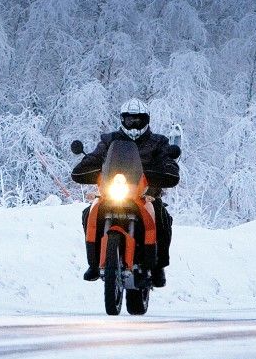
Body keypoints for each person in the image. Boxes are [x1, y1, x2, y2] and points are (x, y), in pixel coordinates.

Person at [71, 99, 181, 286]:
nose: (134, 123)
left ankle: (157, 266)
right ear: (123, 120)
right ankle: (94, 263)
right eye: (130, 120)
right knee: (88, 212)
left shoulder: (158, 142)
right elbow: (96, 158)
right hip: (112, 192)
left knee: (162, 216)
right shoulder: (109, 140)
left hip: (146, 194)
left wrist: (167, 169)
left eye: (138, 120)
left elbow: (167, 162)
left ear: (146, 120)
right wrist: (86, 164)